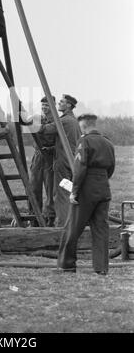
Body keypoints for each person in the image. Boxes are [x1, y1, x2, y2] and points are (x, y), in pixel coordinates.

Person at [58, 114, 115, 274]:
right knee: (101, 231)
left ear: (83, 126)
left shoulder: (84, 141)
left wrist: (74, 191)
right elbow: (111, 168)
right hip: (103, 188)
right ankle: (101, 268)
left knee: (72, 228)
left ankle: (66, 265)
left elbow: (80, 167)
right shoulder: (108, 143)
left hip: (85, 189)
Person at [36, 94, 81, 227]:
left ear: (68, 105)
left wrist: (30, 122)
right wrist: (51, 148)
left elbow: (45, 129)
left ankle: (62, 225)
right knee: (69, 191)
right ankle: (72, 222)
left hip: (62, 162)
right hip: (72, 161)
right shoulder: (73, 121)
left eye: (61, 102)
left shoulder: (64, 120)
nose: (59, 104)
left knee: (61, 194)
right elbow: (68, 141)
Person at [29, 96, 55, 226]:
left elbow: (63, 142)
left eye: (47, 105)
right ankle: (35, 218)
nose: (45, 108)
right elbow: (27, 122)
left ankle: (51, 218)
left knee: (51, 189)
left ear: (53, 106)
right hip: (38, 156)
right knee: (34, 187)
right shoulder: (37, 118)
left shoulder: (57, 122)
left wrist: (51, 148)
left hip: (50, 157)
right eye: (43, 105)